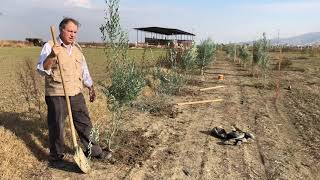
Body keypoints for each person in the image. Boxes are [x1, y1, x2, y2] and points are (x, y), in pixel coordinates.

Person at [37, 17, 107, 166]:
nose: (72, 34)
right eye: (69, 31)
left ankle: (93, 151)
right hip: (57, 93)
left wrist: (90, 86)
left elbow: (84, 70)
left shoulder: (77, 49)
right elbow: (42, 70)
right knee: (57, 125)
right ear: (61, 30)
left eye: (75, 32)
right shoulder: (50, 46)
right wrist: (52, 56)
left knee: (85, 123)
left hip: (76, 92)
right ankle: (56, 157)